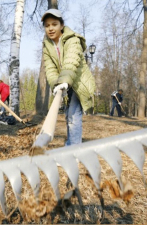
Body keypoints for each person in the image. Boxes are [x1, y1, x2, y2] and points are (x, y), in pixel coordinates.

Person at [42, 9, 95, 146]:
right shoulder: (47, 45)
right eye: (47, 26)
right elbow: (50, 68)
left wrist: (64, 81)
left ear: (61, 25)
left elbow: (71, 61)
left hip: (79, 82)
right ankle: (71, 145)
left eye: (54, 24)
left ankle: (74, 151)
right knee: (68, 116)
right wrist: (56, 84)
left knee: (73, 115)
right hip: (65, 82)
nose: (51, 28)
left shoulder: (72, 39)